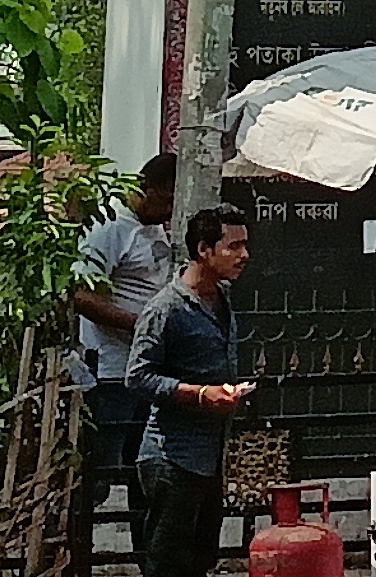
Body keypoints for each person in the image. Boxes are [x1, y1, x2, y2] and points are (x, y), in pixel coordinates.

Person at [129, 208, 259, 577]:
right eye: (234, 246)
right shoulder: (165, 309)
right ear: (204, 249)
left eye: (245, 246)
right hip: (172, 457)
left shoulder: (223, 297)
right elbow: (138, 377)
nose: (244, 256)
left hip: (209, 455)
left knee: (201, 561)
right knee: (169, 564)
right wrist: (201, 394)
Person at [68, 155, 181, 545]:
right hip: (111, 370)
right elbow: (81, 296)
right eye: (167, 201)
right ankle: (74, 550)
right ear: (149, 189)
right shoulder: (112, 227)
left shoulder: (154, 230)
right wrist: (140, 326)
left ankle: (145, 556)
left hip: (146, 371)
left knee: (146, 471)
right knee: (97, 473)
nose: (169, 212)